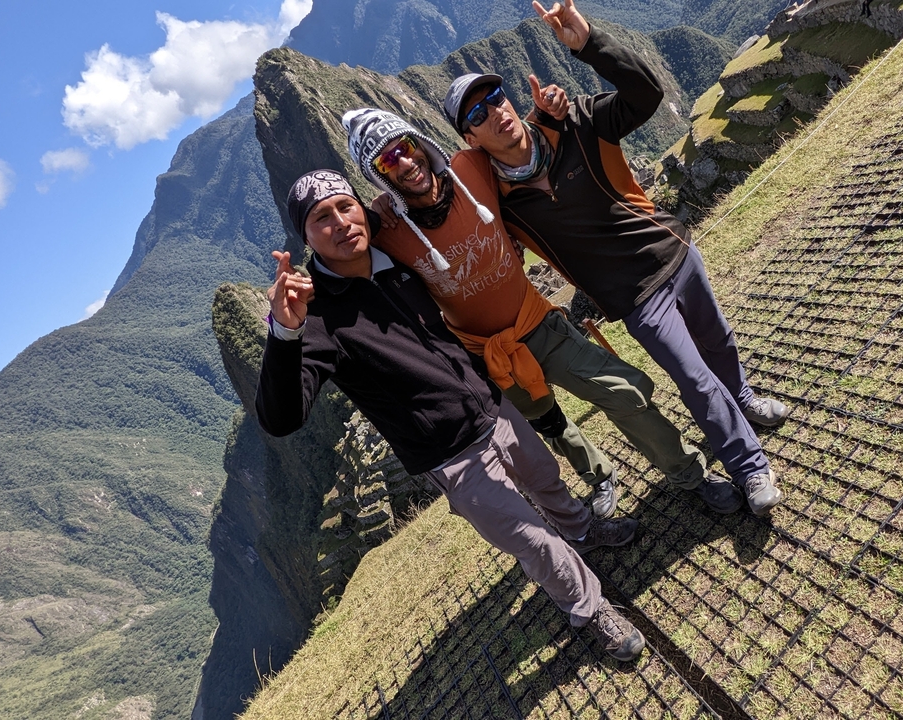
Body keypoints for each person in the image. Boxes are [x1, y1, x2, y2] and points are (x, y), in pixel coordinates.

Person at [255, 169, 645, 660]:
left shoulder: (396, 258)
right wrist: (284, 333)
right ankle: (590, 609)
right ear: (305, 235)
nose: (340, 223)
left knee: (546, 477)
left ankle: (584, 531)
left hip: (490, 405)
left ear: (361, 209)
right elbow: (280, 417)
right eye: (321, 218)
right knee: (529, 538)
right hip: (447, 453)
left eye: (345, 207)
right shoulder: (314, 319)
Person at [443, 0, 791, 516]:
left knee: (718, 340)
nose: (495, 111)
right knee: (693, 378)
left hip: (672, 250)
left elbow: (645, 95)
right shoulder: (499, 204)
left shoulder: (577, 121)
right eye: (477, 113)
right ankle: (749, 466)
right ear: (470, 139)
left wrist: (587, 42)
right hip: (634, 298)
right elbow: (470, 250)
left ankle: (742, 396)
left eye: (495, 97)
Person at [340, 106, 745, 516]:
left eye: (406, 148)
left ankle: (689, 473)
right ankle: (600, 475)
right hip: (489, 353)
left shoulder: (470, 170)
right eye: (387, 160)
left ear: (421, 144)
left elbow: (511, 138)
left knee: (623, 392)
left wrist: (548, 111)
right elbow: (342, 256)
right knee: (550, 423)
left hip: (537, 323)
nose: (406, 163)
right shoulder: (386, 232)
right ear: (378, 175)